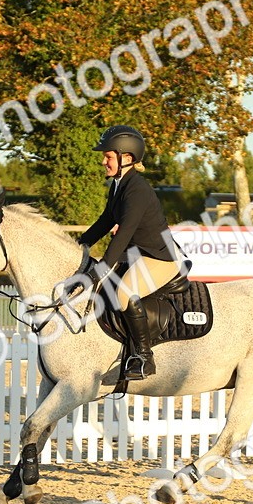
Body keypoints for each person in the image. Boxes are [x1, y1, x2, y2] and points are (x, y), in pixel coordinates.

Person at [77, 125, 179, 380]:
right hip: (137, 256)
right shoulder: (118, 185)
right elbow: (105, 221)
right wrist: (79, 245)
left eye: (108, 157)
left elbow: (123, 234)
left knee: (123, 294)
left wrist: (100, 270)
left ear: (127, 158)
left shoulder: (137, 189)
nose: (104, 162)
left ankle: (144, 357)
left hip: (159, 258)